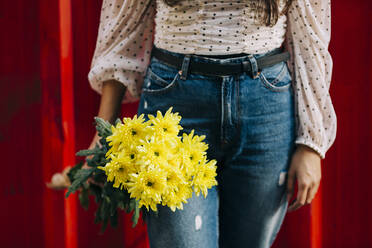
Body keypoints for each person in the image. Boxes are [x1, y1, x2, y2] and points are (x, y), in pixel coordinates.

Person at [84, 0, 337, 247]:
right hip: (174, 109)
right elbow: (122, 31)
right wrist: (104, 129)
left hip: (265, 111)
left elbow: (309, 39)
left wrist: (311, 144)